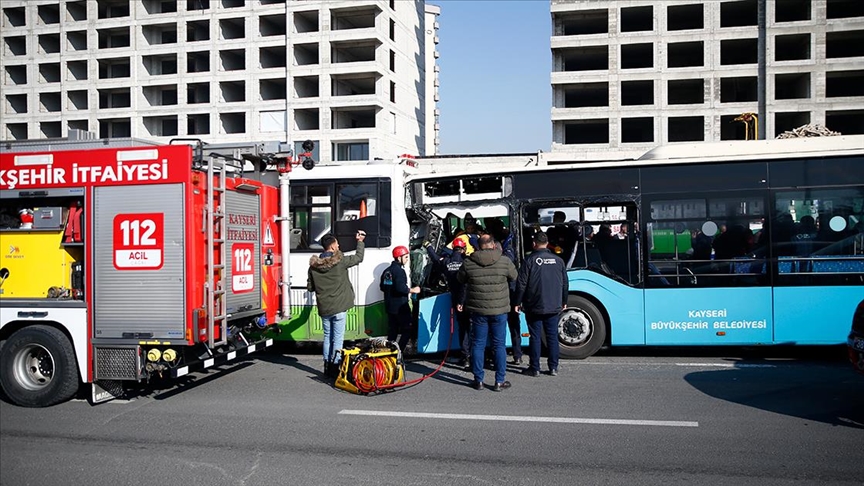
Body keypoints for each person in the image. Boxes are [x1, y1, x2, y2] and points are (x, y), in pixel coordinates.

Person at [457, 234, 518, 391]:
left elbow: (460, 279)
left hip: (478, 311)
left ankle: (478, 380)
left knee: (477, 344)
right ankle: (499, 381)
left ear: (478, 245)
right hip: (500, 310)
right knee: (499, 345)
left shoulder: (469, 262)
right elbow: (514, 276)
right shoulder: (504, 261)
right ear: (493, 244)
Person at [307, 231, 366, 377]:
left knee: (327, 337)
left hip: (324, 308)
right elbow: (359, 258)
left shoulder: (313, 267)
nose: (339, 245)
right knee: (338, 338)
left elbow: (310, 288)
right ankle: (335, 367)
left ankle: (327, 366)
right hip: (339, 307)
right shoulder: (340, 262)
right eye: (337, 244)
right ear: (333, 247)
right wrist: (360, 241)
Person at [514, 231, 568, 377]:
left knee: (535, 336)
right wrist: (564, 301)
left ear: (534, 244)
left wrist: (517, 302)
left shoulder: (529, 260)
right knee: (552, 336)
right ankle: (553, 367)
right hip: (553, 304)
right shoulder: (558, 260)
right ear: (547, 243)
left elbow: (521, 284)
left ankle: (535, 367)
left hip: (534, 305)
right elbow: (564, 284)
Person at [426, 237, 470, 367]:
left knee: (462, 328)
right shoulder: (467, 262)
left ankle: (465, 356)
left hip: (456, 298)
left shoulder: (446, 262)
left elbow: (435, 259)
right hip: (471, 299)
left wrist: (428, 246)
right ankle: (475, 356)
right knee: (474, 328)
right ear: (463, 249)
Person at [381, 246, 421, 352]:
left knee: (392, 331)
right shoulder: (399, 271)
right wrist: (413, 290)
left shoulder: (387, 271)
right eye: (406, 257)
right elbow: (400, 288)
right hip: (400, 307)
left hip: (390, 306)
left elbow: (382, 287)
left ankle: (390, 353)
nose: (407, 260)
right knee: (407, 330)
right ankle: (399, 352)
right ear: (399, 258)